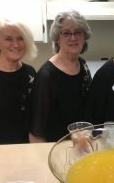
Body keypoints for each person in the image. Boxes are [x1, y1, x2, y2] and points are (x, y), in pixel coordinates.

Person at [29, 10, 92, 142]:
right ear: (57, 38)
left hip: (80, 144)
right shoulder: (47, 76)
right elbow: (36, 132)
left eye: (78, 32)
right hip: (57, 149)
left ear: (84, 36)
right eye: (66, 33)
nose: (73, 37)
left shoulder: (83, 65)